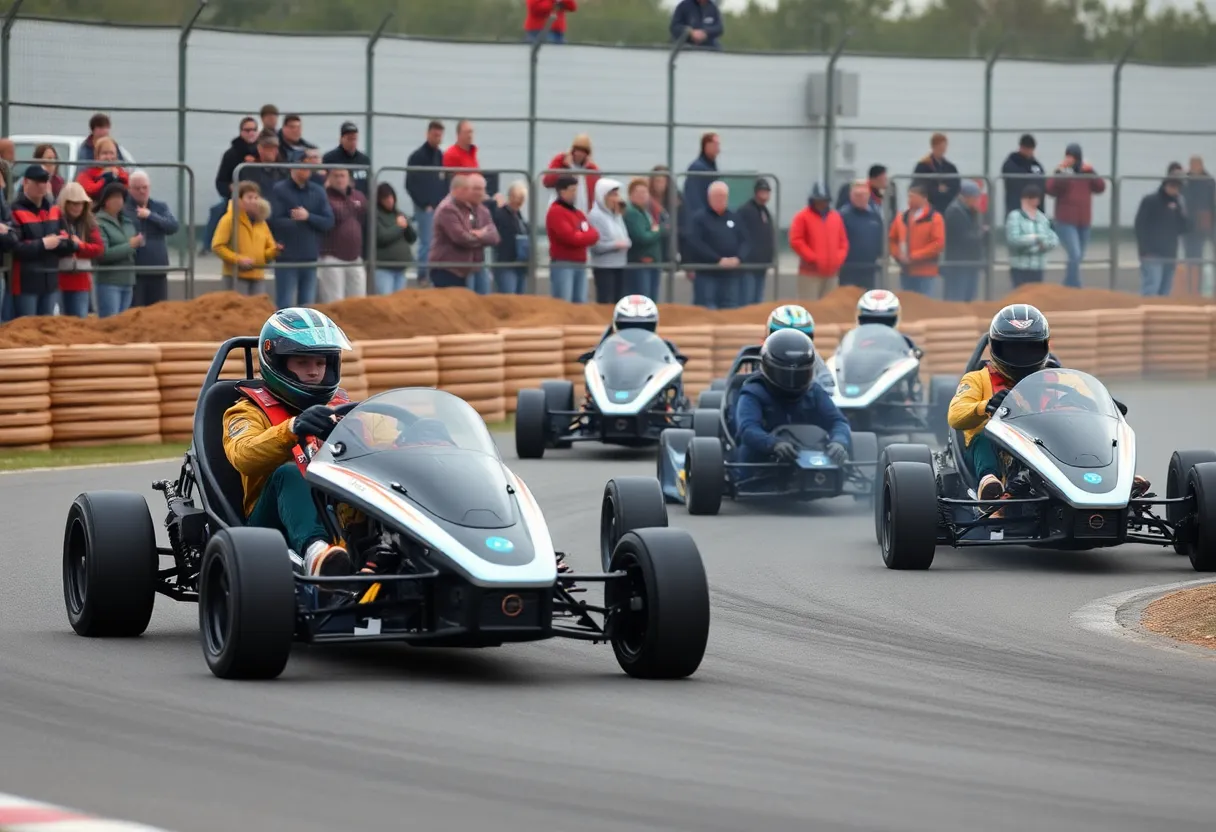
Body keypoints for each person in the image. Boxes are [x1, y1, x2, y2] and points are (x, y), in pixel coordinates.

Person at [947, 304, 1147, 505]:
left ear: (1045, 346)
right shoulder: (977, 379)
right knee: (984, 436)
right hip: (1000, 452)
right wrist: (985, 406)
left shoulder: (1064, 379)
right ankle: (989, 485)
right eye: (1012, 348)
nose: (1021, 355)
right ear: (995, 347)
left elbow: (1094, 408)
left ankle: (1115, 481)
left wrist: (1101, 407)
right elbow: (955, 415)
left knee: (1086, 431)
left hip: (1051, 446)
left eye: (1029, 347)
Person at [222, 308, 361, 577]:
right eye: (302, 363)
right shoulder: (246, 411)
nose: (313, 372)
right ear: (278, 363)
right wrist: (292, 429)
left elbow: (379, 442)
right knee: (291, 472)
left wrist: (414, 434)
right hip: (268, 525)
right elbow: (243, 455)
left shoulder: (340, 407)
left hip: (337, 507)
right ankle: (317, 555)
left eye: (320, 363)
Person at [734, 329, 851, 470]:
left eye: (799, 374)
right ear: (768, 367)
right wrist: (773, 444)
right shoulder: (754, 392)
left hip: (813, 461)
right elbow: (747, 429)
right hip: (762, 470)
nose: (792, 382)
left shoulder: (814, 392)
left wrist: (839, 441)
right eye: (785, 375)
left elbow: (838, 422)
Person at [766, 304, 833, 392]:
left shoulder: (813, 358)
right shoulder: (762, 358)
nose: (793, 345)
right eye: (785, 339)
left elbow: (828, 386)